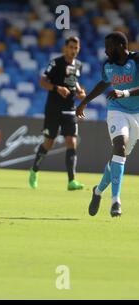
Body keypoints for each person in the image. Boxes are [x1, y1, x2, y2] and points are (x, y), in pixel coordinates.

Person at [77, 31, 139, 217]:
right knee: (119, 147)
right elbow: (104, 84)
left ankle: (98, 191)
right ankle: (116, 201)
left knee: (118, 158)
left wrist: (125, 92)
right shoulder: (108, 65)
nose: (105, 51)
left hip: (136, 114)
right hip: (116, 110)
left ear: (120, 46)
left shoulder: (136, 60)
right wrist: (84, 102)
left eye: (109, 46)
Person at [29, 36, 86, 191]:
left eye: (76, 48)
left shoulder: (79, 65)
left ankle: (71, 181)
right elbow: (42, 82)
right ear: (65, 48)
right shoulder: (55, 63)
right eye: (71, 47)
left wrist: (80, 91)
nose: (73, 50)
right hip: (54, 109)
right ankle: (34, 171)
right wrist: (57, 88)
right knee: (49, 143)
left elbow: (74, 81)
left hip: (70, 109)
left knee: (71, 142)